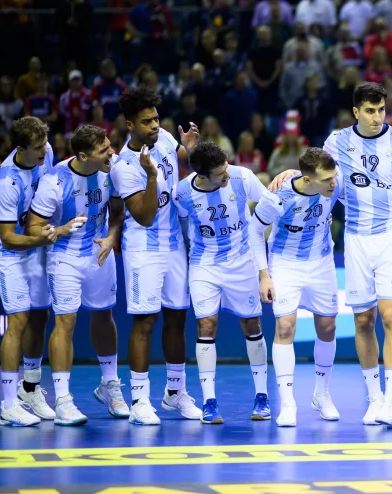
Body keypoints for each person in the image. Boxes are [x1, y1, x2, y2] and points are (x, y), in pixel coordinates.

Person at [320, 82, 392, 426]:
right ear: (356, 112)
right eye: (369, 111)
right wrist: (290, 174)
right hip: (356, 239)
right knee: (363, 321)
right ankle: (375, 397)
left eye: (381, 109)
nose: (376, 117)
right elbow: (320, 180)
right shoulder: (336, 142)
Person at [110, 86, 202, 425]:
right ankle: (139, 399)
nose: (154, 125)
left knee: (177, 317)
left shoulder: (163, 137)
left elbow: (180, 158)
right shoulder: (124, 166)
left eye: (156, 119)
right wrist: (151, 176)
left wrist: (188, 150)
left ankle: (175, 392)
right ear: (130, 124)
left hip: (175, 244)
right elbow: (145, 215)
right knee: (145, 322)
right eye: (146, 121)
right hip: (143, 250)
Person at [27, 125, 124, 425]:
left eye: (109, 145)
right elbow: (33, 227)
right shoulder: (55, 181)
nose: (111, 152)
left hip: (100, 253)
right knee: (65, 322)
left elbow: (117, 210)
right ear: (83, 156)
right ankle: (63, 400)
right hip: (65, 257)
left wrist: (111, 237)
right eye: (103, 150)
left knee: (104, 317)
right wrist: (60, 229)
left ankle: (110, 386)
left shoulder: (113, 168)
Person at [173, 142, 271, 424]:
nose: (227, 174)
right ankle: (209, 401)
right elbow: (179, 226)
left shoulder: (241, 177)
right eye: (220, 172)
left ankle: (261, 396)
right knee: (206, 325)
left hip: (242, 262)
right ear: (203, 175)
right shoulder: (183, 192)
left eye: (226, 167)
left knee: (252, 326)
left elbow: (270, 207)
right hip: (204, 264)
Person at [250, 148, 341, 427]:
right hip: (285, 263)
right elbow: (254, 231)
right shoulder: (278, 196)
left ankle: (322, 394)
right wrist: (264, 276)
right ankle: (288, 402)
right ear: (307, 179)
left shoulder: (334, 183)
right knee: (286, 327)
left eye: (334, 177)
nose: (333, 183)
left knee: (328, 327)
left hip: (322, 260)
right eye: (326, 179)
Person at [0, 117, 57, 426]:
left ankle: (29, 388)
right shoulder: (6, 182)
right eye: (37, 147)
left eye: (45, 143)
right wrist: (40, 238)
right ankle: (7, 406)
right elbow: (7, 237)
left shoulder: (47, 154)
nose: (44, 150)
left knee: (40, 315)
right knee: (17, 320)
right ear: (20, 149)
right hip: (10, 251)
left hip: (36, 245)